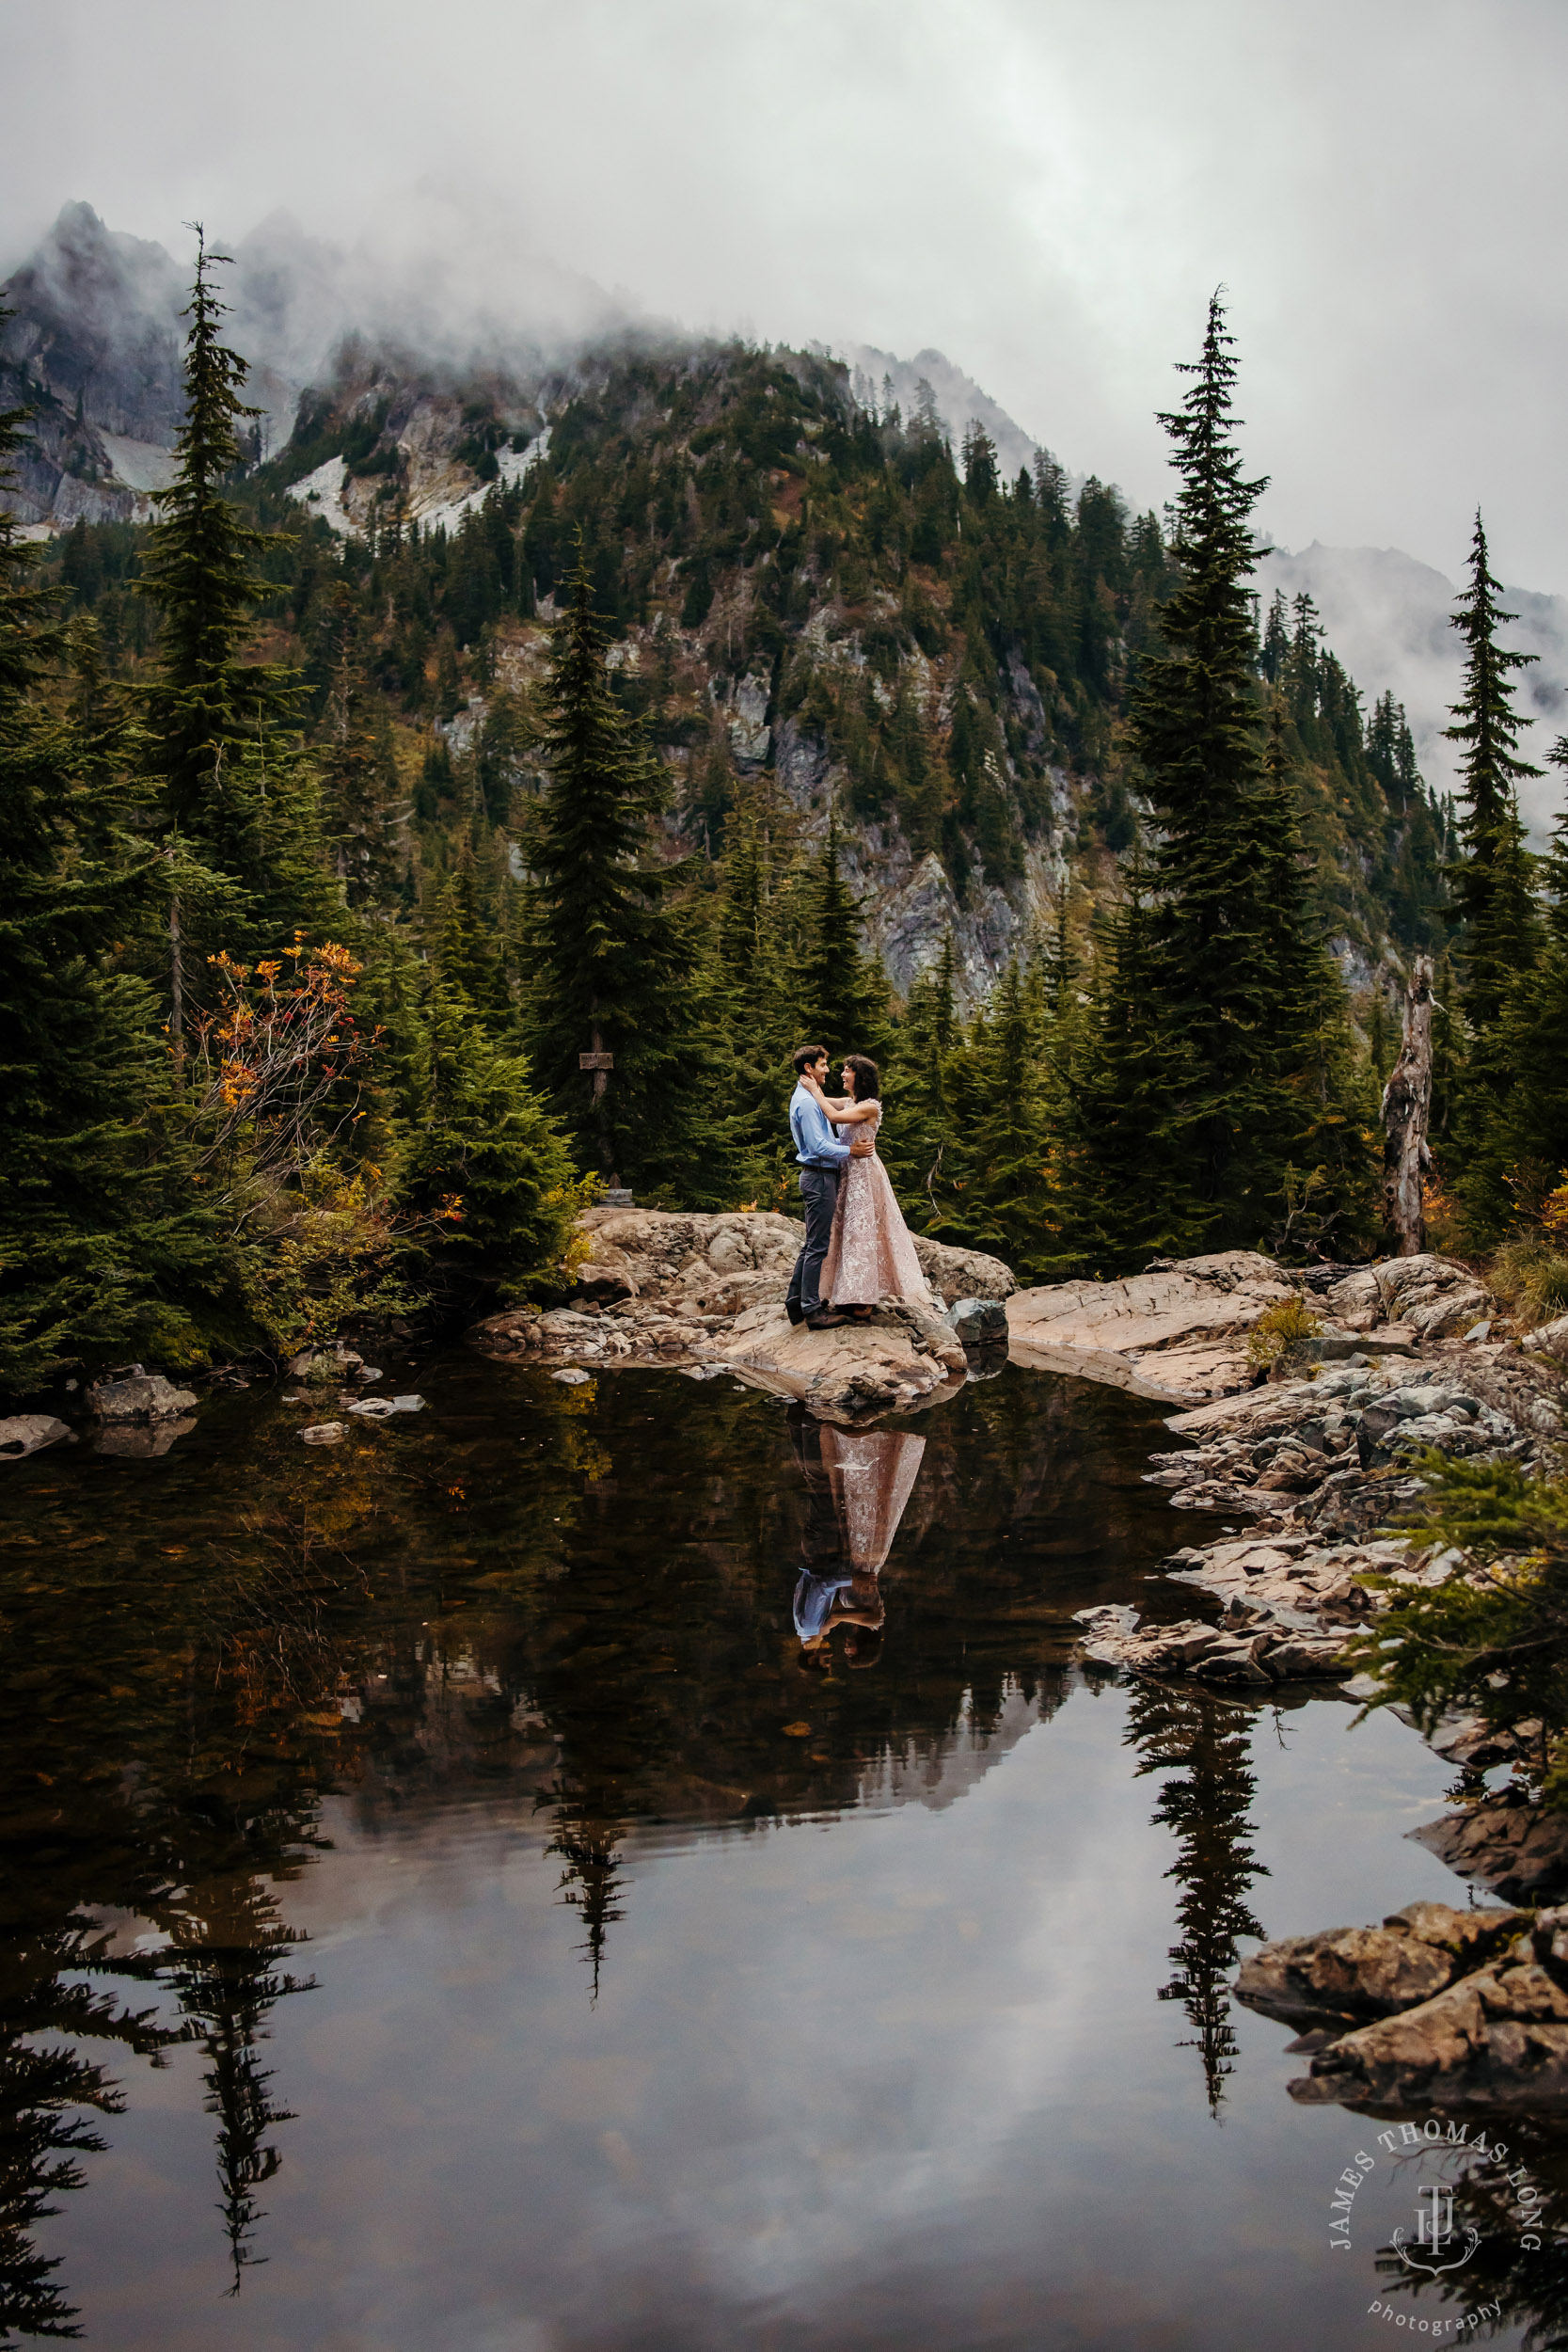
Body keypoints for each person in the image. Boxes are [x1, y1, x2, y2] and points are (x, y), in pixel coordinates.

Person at [801, 1054, 932, 1320]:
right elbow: (826, 1104)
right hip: (847, 1171)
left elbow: (833, 1116)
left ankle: (863, 1297)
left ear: (860, 1077)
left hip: (863, 1175)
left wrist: (814, 1088)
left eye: (847, 1070)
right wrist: (811, 1088)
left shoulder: (870, 1107)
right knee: (844, 1231)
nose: (842, 1074)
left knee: (862, 1232)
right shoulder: (851, 1102)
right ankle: (844, 1292)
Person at [784, 1044, 873, 1329]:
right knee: (817, 1246)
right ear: (808, 1068)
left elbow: (827, 1135)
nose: (828, 1070)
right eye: (823, 1064)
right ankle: (812, 1310)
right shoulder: (808, 1103)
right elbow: (817, 1146)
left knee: (813, 1243)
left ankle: (796, 1303)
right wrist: (850, 1152)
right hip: (820, 1177)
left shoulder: (810, 1097)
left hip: (820, 1175)